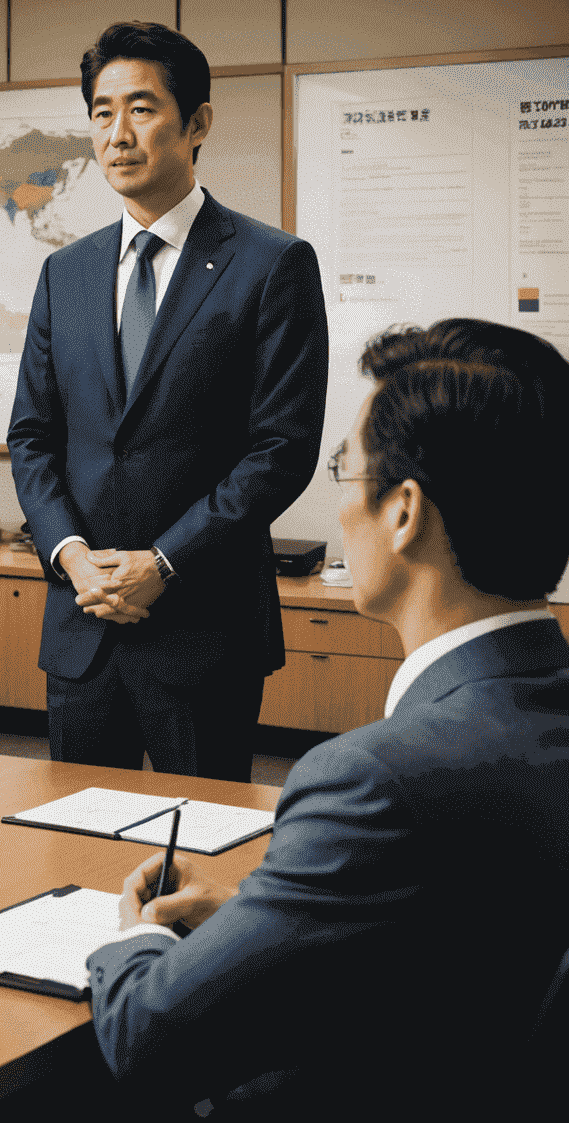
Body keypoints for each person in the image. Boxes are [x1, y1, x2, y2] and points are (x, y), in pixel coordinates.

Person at [85, 318, 569, 1121]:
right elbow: (474, 931)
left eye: (347, 471)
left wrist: (135, 938)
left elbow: (147, 1035)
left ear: (404, 512)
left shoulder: (374, 780)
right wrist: (259, 920)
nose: (341, 506)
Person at [7, 21, 328, 781]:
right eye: (100, 111)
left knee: (201, 855)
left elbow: (281, 448)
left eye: (142, 109)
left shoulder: (271, 264)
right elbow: (33, 436)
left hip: (202, 624)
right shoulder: (66, 273)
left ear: (198, 123)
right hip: (82, 620)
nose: (117, 134)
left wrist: (164, 562)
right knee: (74, 845)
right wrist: (71, 555)